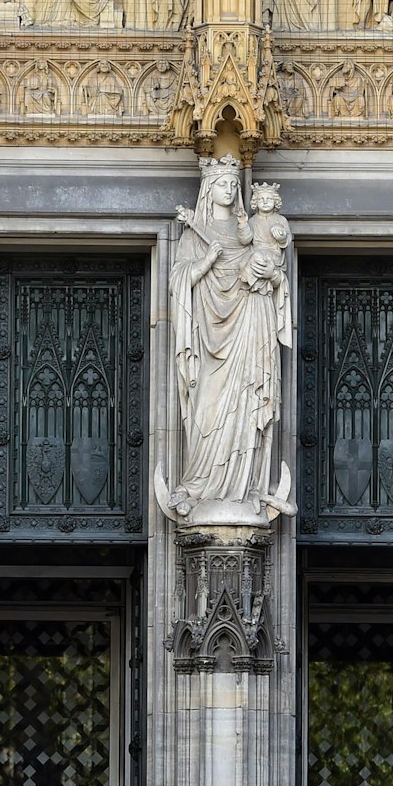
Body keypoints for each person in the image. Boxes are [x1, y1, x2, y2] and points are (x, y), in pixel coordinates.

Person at [162, 156, 294, 524]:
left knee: (247, 404)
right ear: (209, 188)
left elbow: (273, 274)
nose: (231, 189)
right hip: (209, 339)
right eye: (223, 183)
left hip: (250, 328)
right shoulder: (193, 233)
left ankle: (246, 485)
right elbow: (179, 282)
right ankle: (201, 485)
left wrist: (272, 276)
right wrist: (206, 262)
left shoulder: (247, 232)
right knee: (207, 408)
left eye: (235, 184)